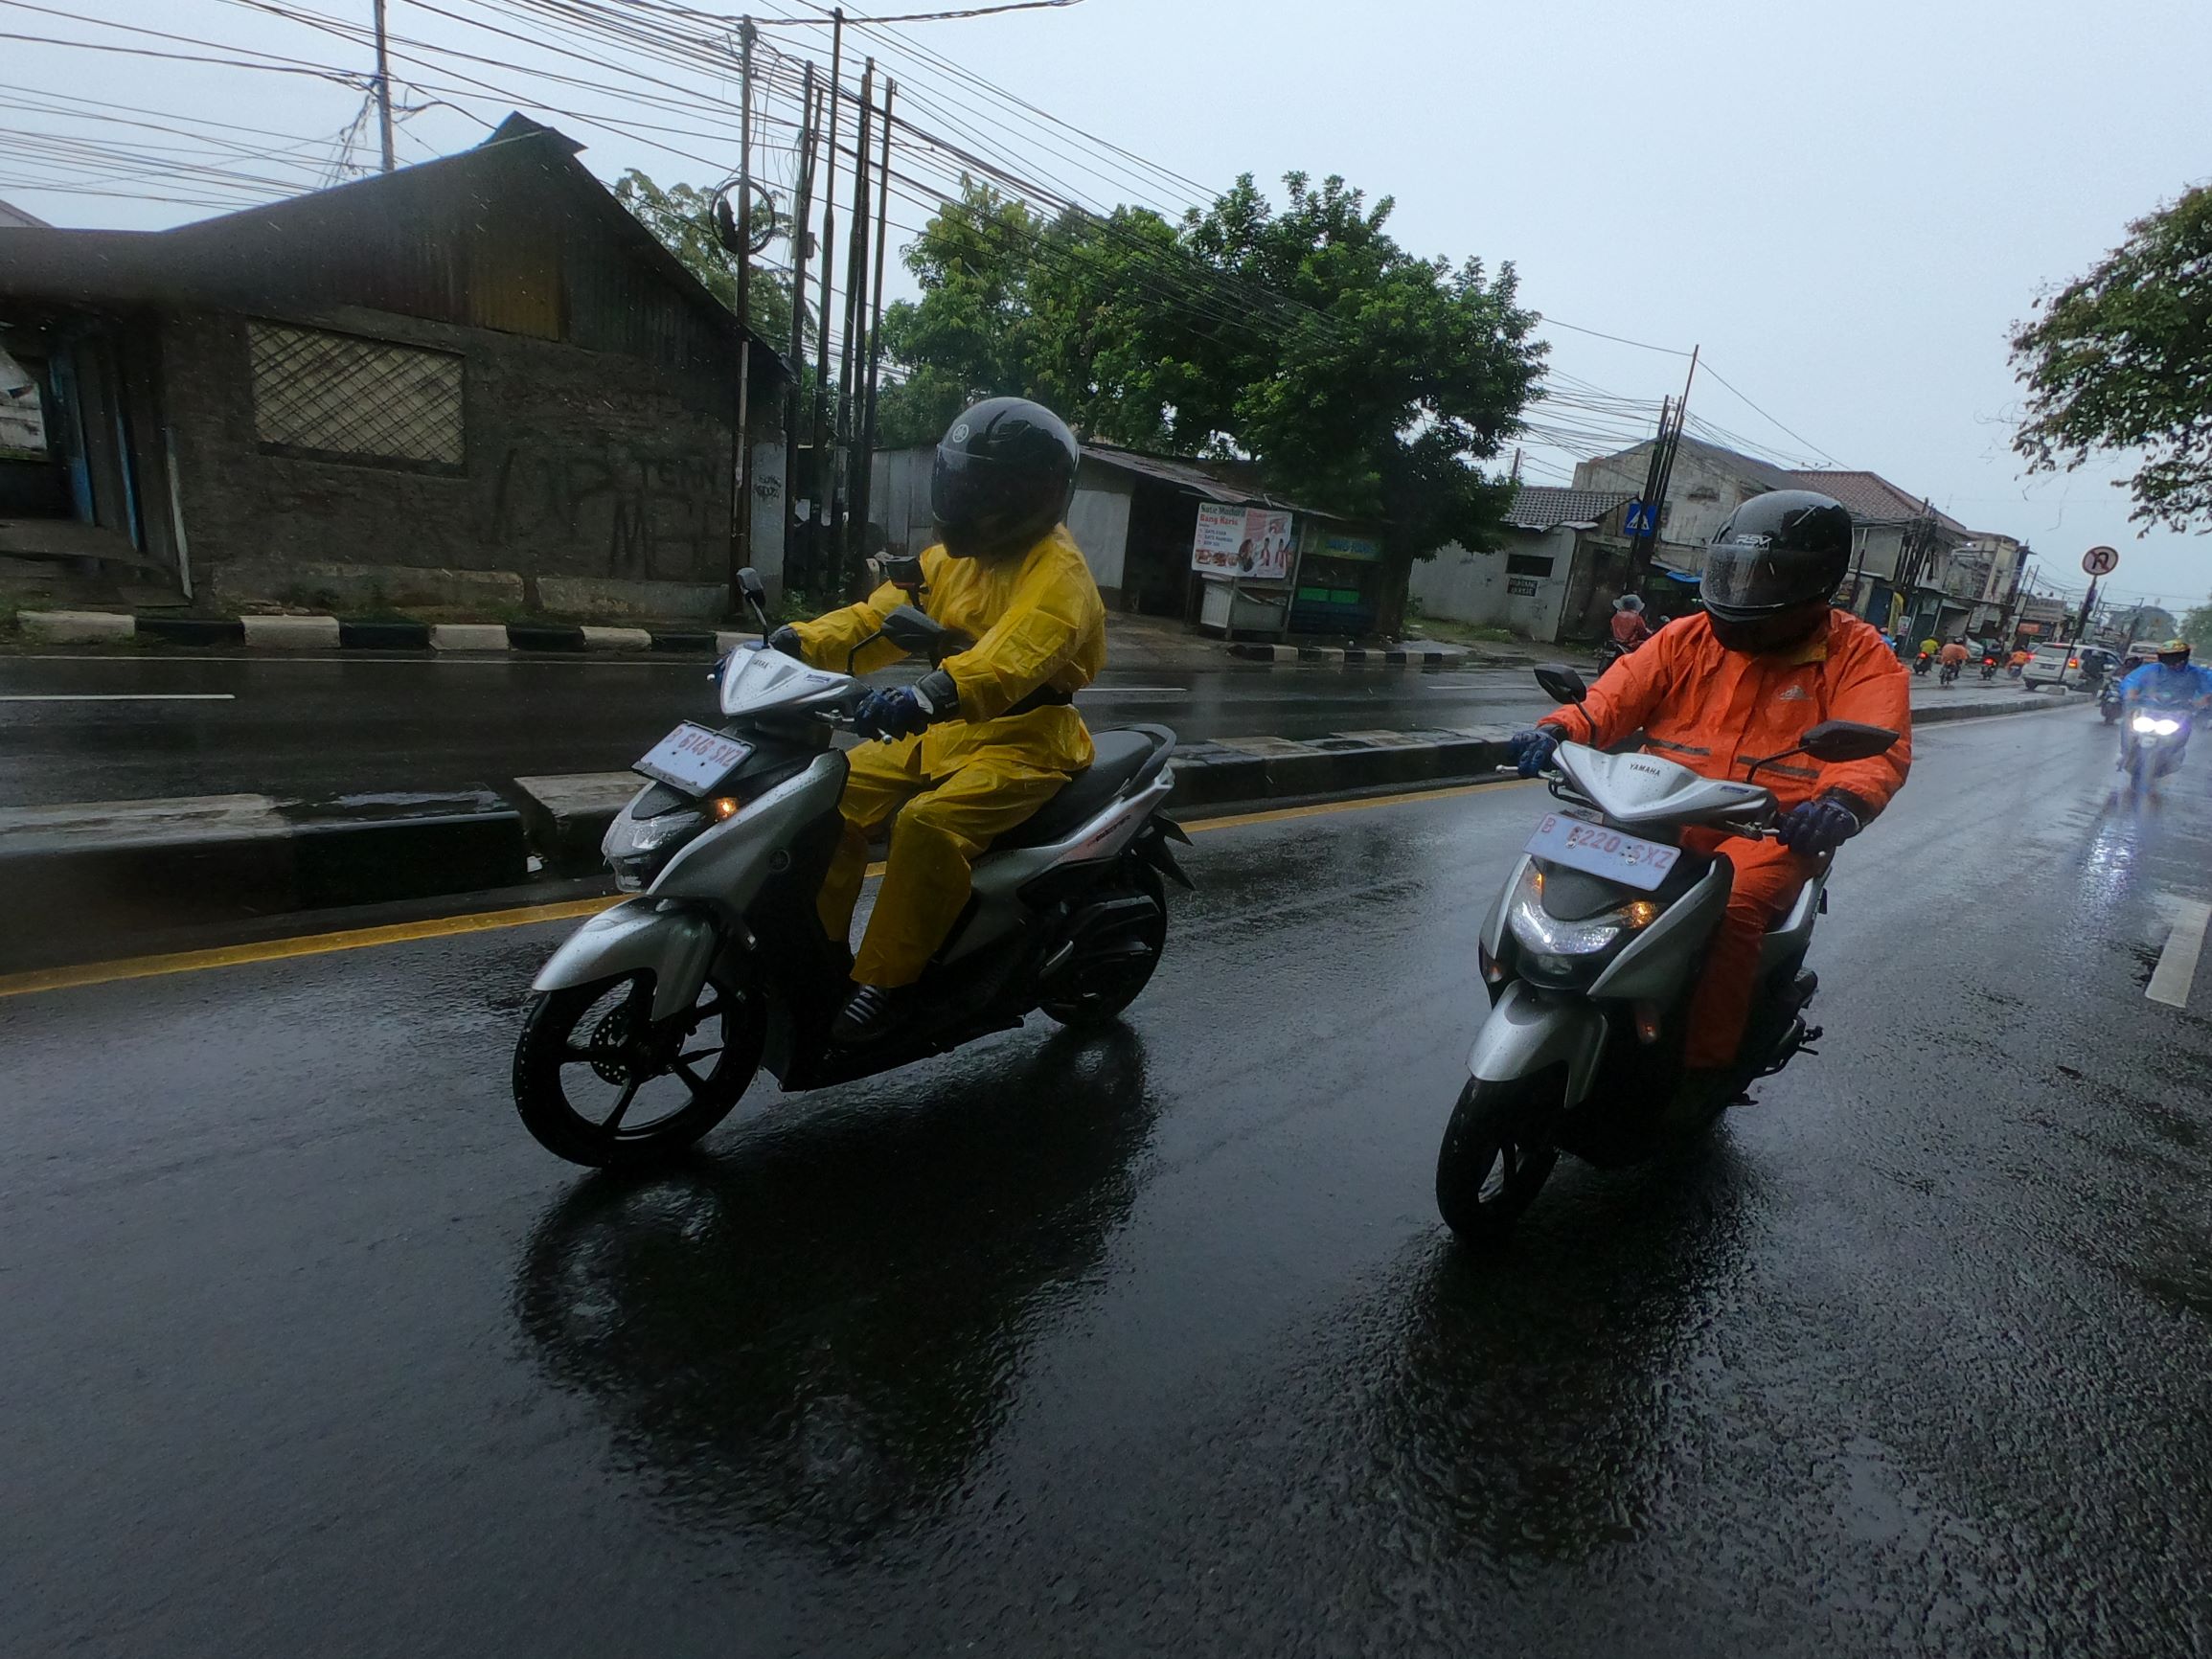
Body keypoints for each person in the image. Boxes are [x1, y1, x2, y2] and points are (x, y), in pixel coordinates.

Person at [1505, 490, 1912, 1123]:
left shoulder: (1858, 654)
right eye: (1738, 572)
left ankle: (1702, 1067)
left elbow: (1874, 746)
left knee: (1734, 907)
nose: (1747, 589)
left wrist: (1840, 802)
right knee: (1555, 860)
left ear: (1817, 583)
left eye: (1768, 577)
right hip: (1650, 810)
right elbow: (1611, 702)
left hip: (1771, 828)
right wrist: (1556, 730)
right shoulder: (1684, 637)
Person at [768, 397, 1106, 1044]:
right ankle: (819, 954)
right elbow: (877, 620)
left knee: (924, 826)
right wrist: (797, 644)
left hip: (1025, 743)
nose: (965, 498)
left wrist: (929, 695)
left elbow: (1013, 658)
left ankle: (887, 985)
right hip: (943, 731)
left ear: (1031, 495)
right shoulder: (950, 559)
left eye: (982, 487)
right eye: (961, 480)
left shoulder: (1059, 576)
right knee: (820, 798)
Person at [2118, 639, 2212, 766]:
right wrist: (2131, 695)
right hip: (2147, 709)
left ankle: (2174, 755)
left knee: (2185, 727)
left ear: (2184, 657)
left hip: (2180, 711)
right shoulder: (2151, 669)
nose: (2171, 662)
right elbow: (2132, 682)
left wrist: (2201, 702)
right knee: (2128, 723)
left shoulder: (2197, 674)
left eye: (2175, 657)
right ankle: (2125, 752)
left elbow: (2208, 690)